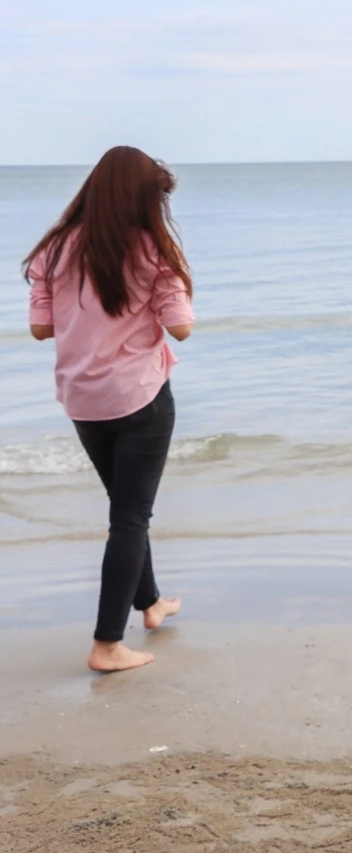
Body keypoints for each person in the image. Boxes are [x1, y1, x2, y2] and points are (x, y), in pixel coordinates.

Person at [24, 146, 192, 673]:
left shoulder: (54, 248)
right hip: (139, 398)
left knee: (126, 511)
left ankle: (151, 603)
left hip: (82, 401)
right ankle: (105, 645)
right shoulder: (150, 250)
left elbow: (40, 328)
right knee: (129, 517)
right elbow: (181, 326)